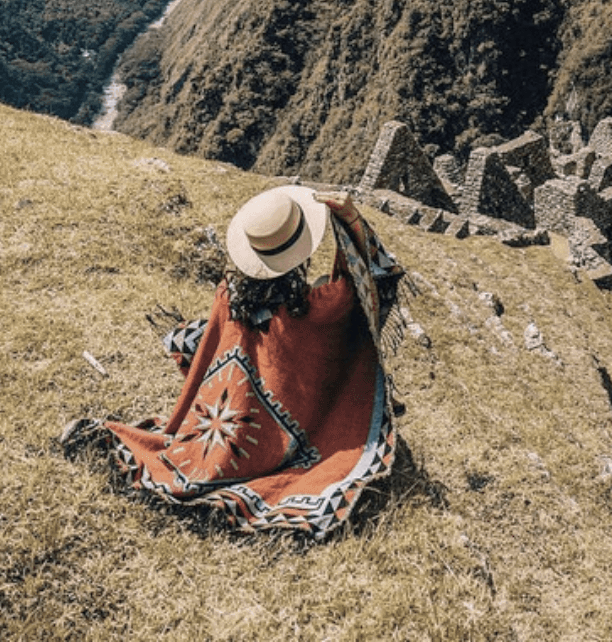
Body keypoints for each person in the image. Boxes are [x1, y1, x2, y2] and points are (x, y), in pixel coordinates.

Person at [62, 185, 406, 539]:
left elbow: (213, 348)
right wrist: (350, 219)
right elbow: (372, 282)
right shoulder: (320, 310)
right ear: (301, 247)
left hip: (220, 425)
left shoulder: (227, 296)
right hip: (273, 443)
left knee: (190, 344)